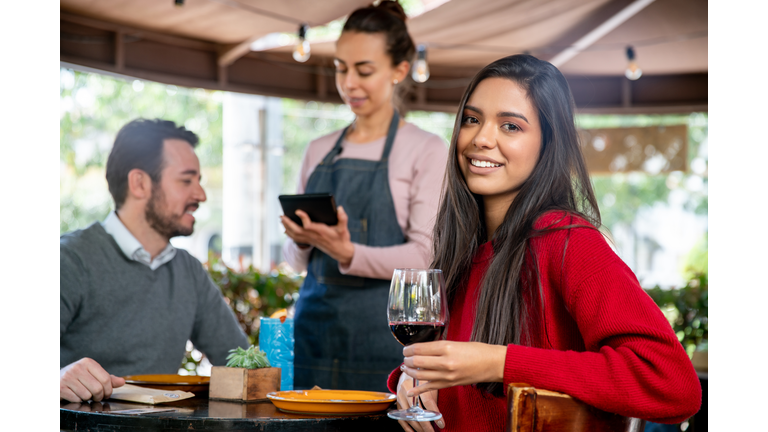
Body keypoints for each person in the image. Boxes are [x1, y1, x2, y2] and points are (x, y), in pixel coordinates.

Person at [387, 55, 702, 431]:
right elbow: (461, 372)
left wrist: (500, 363)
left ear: (548, 144)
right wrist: (411, 379)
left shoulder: (567, 240)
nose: (481, 139)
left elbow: (673, 384)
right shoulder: (464, 248)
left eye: (510, 126)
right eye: (472, 120)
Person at [280, 0, 448, 392]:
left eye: (364, 70)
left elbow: (424, 258)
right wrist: (302, 240)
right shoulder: (318, 149)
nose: (348, 83)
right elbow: (293, 262)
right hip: (313, 342)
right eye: (340, 68)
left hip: (388, 345)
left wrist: (347, 253)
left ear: (399, 70)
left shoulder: (426, 150)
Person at [60, 119, 249, 403]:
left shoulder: (188, 270)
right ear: (139, 183)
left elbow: (242, 365)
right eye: (186, 180)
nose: (201, 195)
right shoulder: (69, 260)